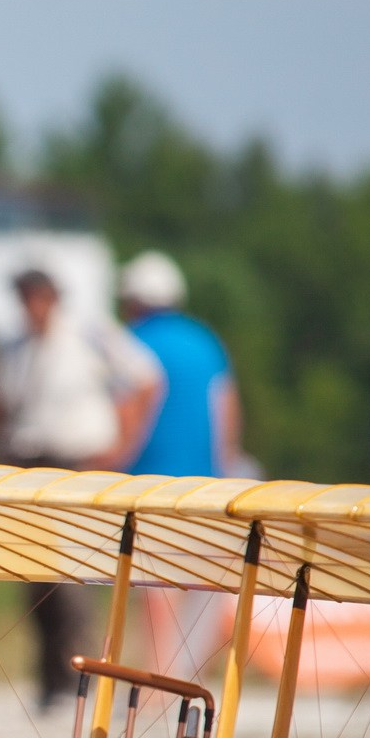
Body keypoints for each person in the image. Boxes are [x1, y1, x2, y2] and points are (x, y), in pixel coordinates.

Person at [0, 266, 163, 707]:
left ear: (54, 298)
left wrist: (124, 444)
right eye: (25, 297)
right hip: (29, 463)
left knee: (72, 576)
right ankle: (49, 681)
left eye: (38, 297)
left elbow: (146, 379)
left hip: (77, 462)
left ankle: (76, 679)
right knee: (34, 578)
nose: (32, 306)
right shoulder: (13, 348)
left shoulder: (89, 334)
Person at [120, 249, 240, 680]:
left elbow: (121, 411)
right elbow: (225, 407)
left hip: (147, 480)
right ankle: (190, 678)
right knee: (200, 584)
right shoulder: (205, 342)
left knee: (154, 587)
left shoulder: (130, 342)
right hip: (204, 481)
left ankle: (156, 683)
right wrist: (224, 467)